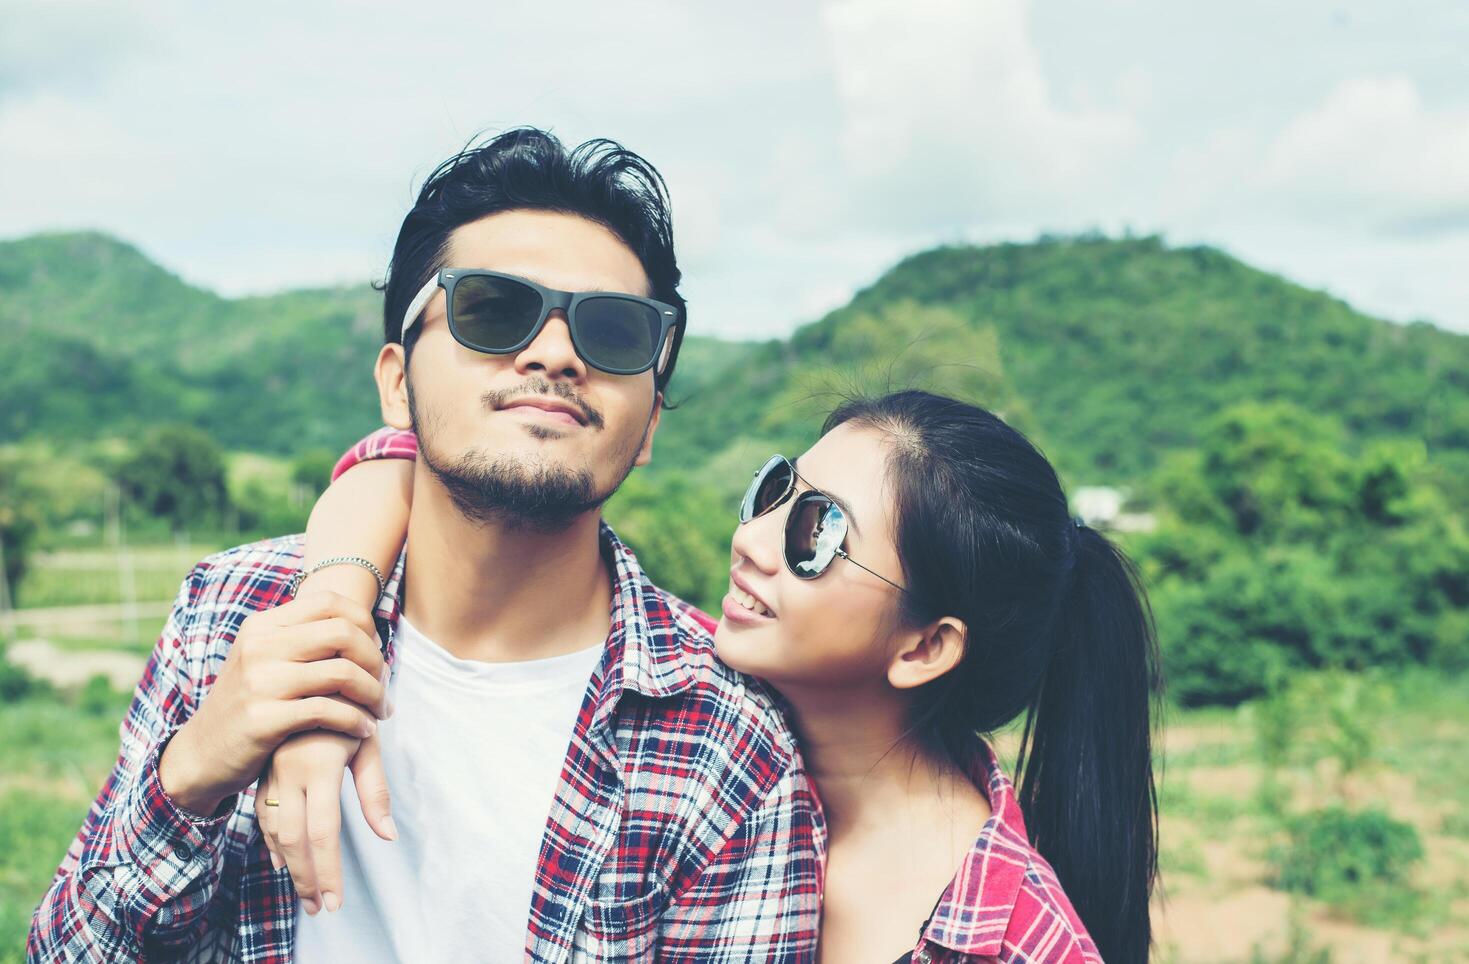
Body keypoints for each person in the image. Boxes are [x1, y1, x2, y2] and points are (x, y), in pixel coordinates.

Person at [28, 128, 823, 963]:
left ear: (651, 420)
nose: (554, 352)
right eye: (491, 309)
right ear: (395, 383)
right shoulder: (233, 615)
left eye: (617, 332)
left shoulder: (729, 738)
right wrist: (188, 778)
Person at [277, 389, 1161, 963]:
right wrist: (331, 637)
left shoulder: (1012, 938)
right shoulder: (686, 680)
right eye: (774, 492)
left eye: (815, 534)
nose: (752, 540)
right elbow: (402, 459)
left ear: (924, 647)